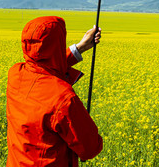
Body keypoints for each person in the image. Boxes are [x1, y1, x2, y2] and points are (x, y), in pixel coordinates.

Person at [6, 16, 103, 167]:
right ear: (57, 44)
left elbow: (42, 64)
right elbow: (90, 149)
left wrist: (80, 48)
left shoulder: (15, 75)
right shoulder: (63, 97)